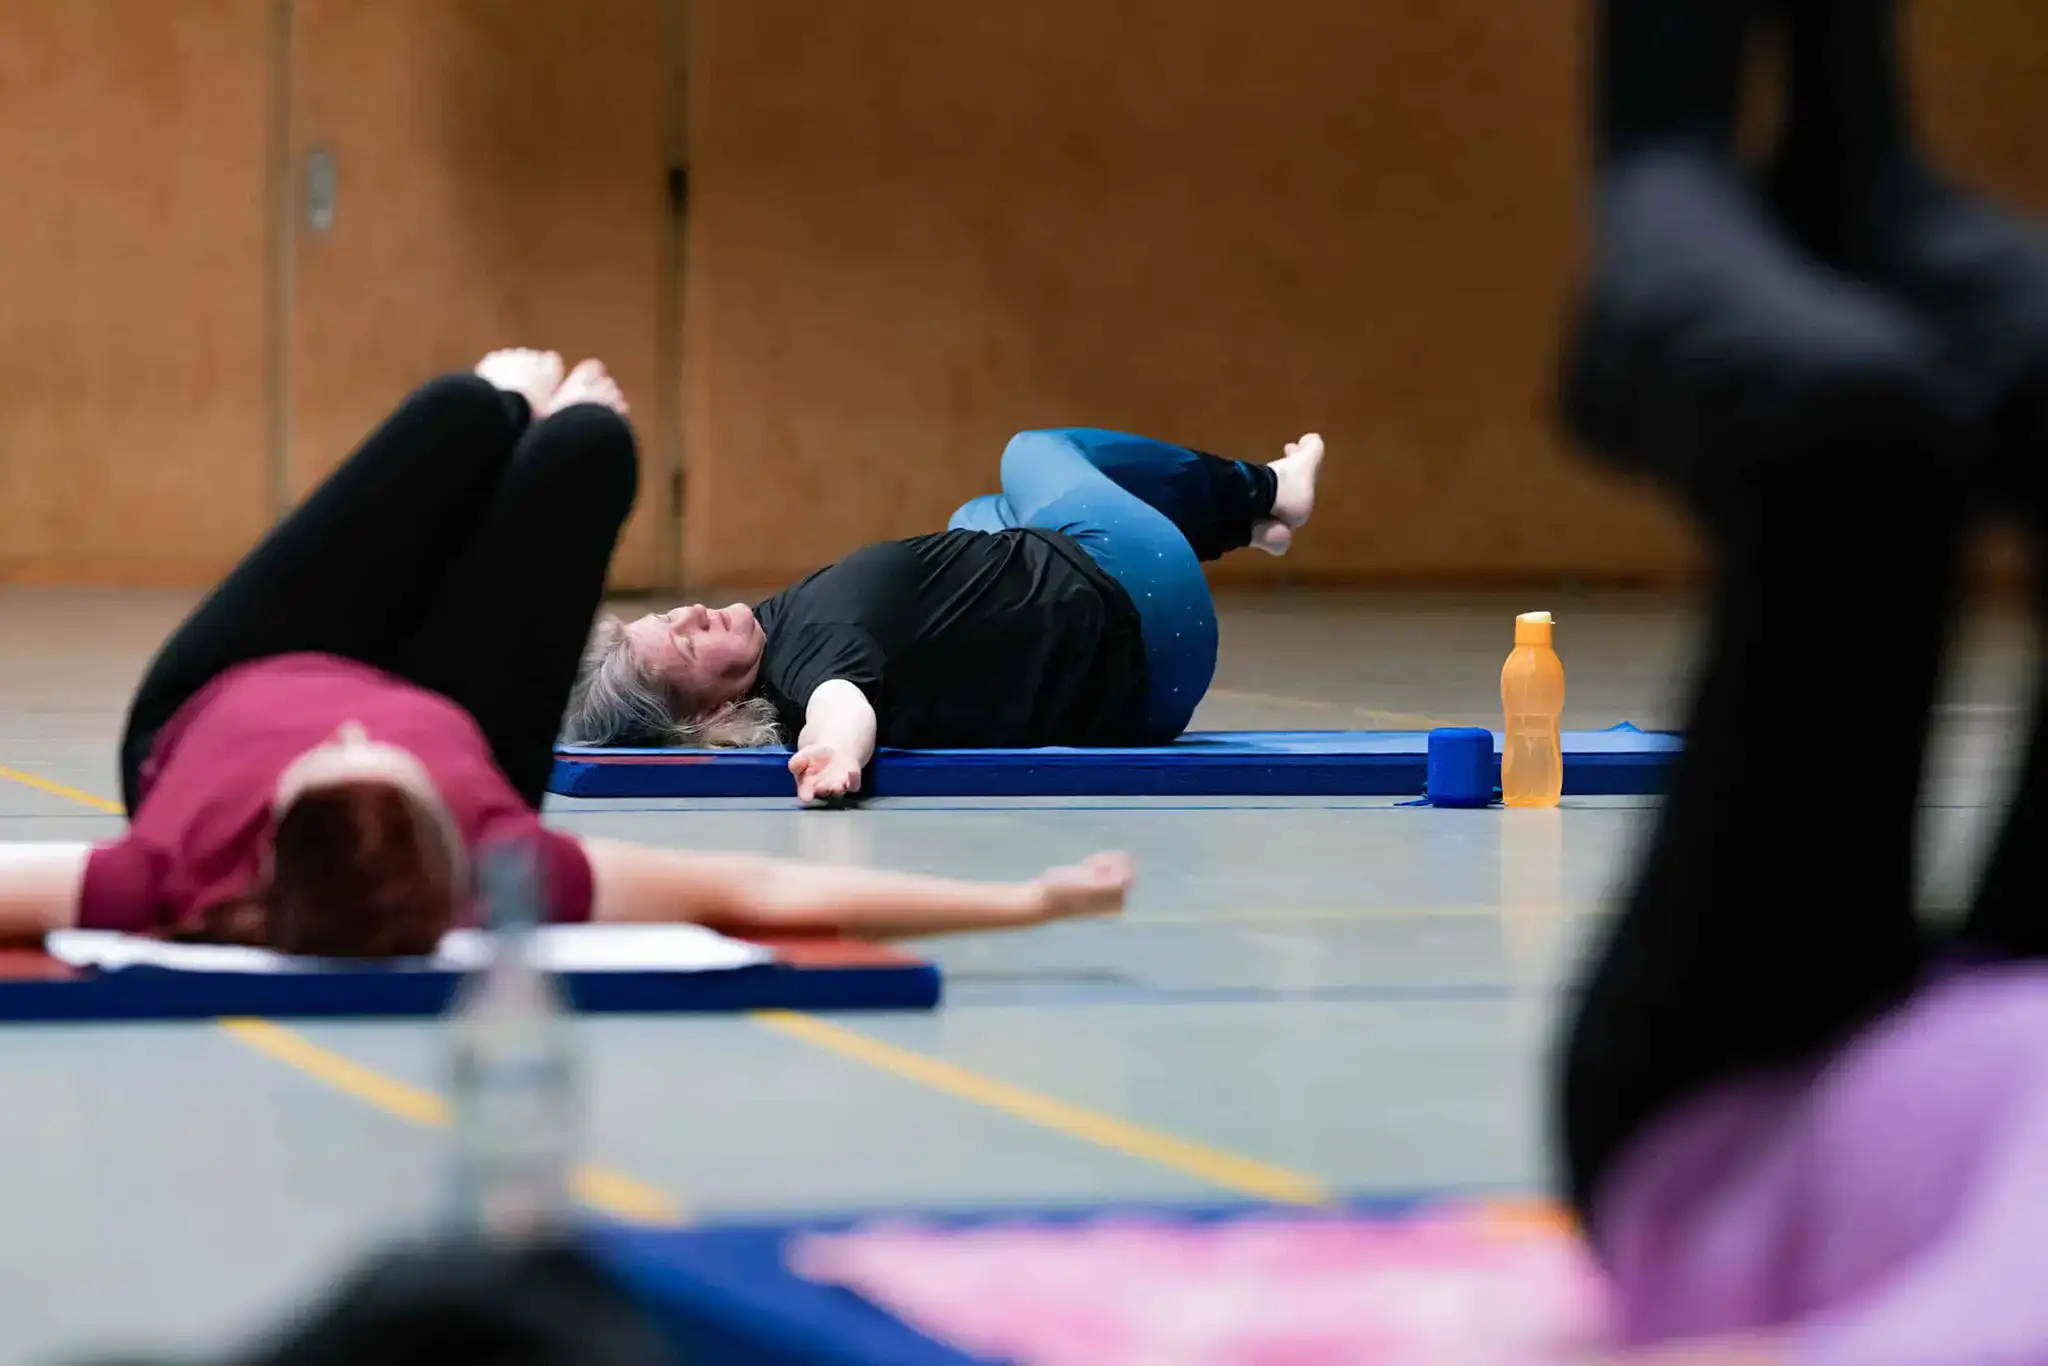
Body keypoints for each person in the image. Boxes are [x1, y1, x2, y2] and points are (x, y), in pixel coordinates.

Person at [0, 352, 1132, 958]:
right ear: (448, 839)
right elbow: (759, 886)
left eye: (329, 756)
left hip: (222, 693)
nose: (357, 720)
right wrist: (1020, 904)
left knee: (462, 409)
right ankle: (531, 414)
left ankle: (499, 398)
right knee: (589, 447)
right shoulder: (500, 862)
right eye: (374, 756)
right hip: (471, 737)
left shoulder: (157, 878)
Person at [1553, 0, 2048, 1362]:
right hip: (2004, 1006)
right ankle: (1865, 183)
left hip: (1739, 1122)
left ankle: (1663, 190)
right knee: (1879, 382)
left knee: (1853, 439)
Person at [562, 427, 1327, 804]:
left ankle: (1244, 527)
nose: (695, 611)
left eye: (671, 615)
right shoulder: (817, 661)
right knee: (1032, 451)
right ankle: (1264, 491)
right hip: (1144, 596)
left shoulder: (778, 656)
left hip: (1140, 701)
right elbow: (841, 703)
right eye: (686, 644)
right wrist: (835, 756)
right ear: (712, 712)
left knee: (979, 516)